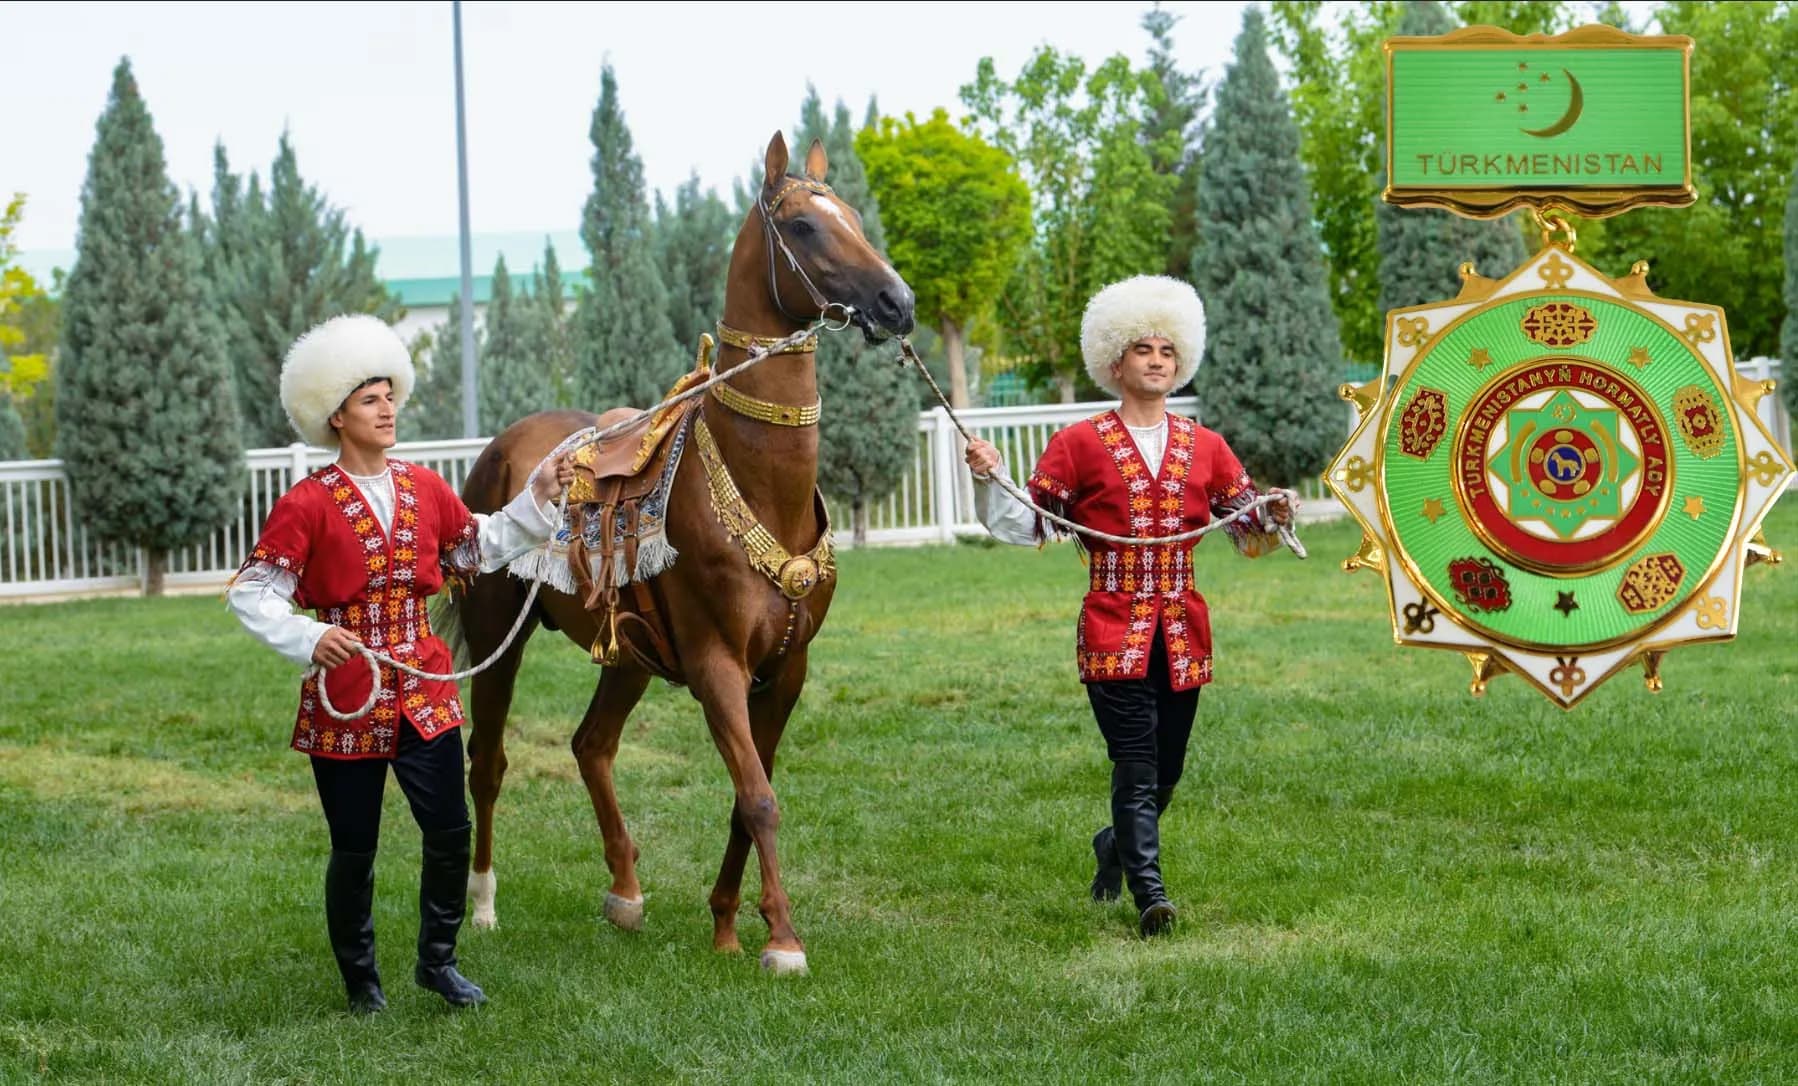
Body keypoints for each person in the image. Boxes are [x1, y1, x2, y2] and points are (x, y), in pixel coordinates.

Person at [228, 314, 573, 1013]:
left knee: (451, 828)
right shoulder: (306, 504)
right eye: (370, 400)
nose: (388, 410)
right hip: (345, 690)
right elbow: (253, 594)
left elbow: (479, 545)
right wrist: (306, 638)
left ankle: (437, 963)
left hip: (423, 680)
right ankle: (362, 984)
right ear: (337, 416)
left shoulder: (425, 488)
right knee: (354, 848)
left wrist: (538, 494)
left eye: (390, 396)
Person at [963, 275, 1296, 938]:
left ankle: (1113, 846)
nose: (1155, 359)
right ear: (1114, 361)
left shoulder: (1209, 447)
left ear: (1180, 363)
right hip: (1112, 628)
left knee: (1167, 772)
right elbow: (1026, 523)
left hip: (1183, 632)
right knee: (1136, 762)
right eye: (1142, 348)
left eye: (1167, 350)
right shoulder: (1078, 445)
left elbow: (1248, 531)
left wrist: (1275, 514)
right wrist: (989, 475)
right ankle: (1151, 895)